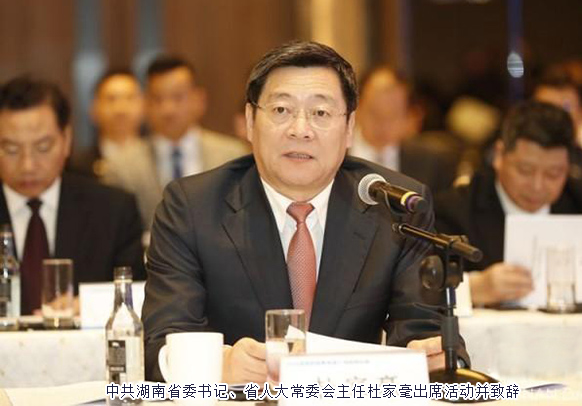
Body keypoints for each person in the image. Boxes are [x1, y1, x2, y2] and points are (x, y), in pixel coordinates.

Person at [142, 41, 467, 384]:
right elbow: (162, 340)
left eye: (320, 113)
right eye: (281, 110)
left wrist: (429, 357)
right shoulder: (192, 207)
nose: (300, 129)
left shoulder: (395, 206)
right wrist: (218, 366)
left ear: (349, 128)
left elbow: (422, 328)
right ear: (250, 121)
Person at [435, 101, 582, 306]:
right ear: (499, 155)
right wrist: (473, 289)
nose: (537, 186)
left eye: (553, 174)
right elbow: (420, 290)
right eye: (525, 170)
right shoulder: (455, 210)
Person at [0, 76, 145, 314]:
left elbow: (141, 293)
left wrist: (90, 306)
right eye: (11, 149)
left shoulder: (113, 210)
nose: (28, 165)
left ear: (66, 140)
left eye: (42, 147)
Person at [104, 56, 248, 229]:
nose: (168, 109)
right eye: (157, 99)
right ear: (146, 103)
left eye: (178, 97)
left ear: (199, 99)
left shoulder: (233, 155)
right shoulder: (121, 165)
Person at [349, 66, 460, 193]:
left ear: (411, 117)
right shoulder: (335, 156)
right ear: (356, 109)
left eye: (393, 115)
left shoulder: (433, 165)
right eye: (374, 113)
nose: (383, 124)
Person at [67, 68, 145, 179]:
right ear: (93, 109)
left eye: (129, 98)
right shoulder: (77, 166)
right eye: (111, 99)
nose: (120, 109)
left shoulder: (160, 159)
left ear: (144, 106)